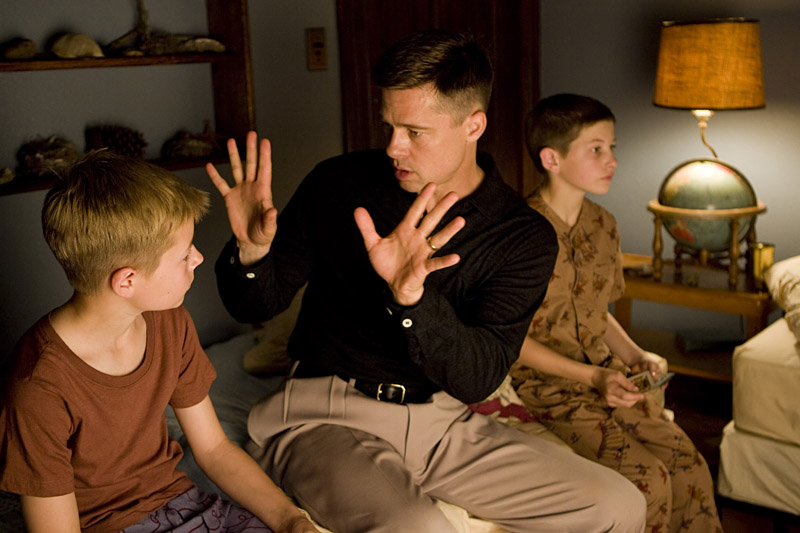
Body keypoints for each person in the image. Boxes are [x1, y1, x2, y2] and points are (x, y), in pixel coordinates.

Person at [206, 30, 646, 533]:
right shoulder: (340, 182)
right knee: (421, 528)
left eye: (415, 132)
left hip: (442, 420)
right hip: (324, 413)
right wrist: (252, 251)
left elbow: (477, 376)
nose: (394, 147)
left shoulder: (522, 236)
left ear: (473, 125)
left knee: (618, 504)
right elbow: (255, 304)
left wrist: (411, 298)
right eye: (389, 126)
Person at [0, 151, 318, 533]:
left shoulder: (169, 321)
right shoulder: (38, 386)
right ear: (127, 281)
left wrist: (290, 520)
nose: (198, 258)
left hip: (182, 504)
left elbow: (214, 449)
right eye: (184, 254)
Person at [508, 93, 723, 533]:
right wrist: (593, 379)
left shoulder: (603, 224)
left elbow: (596, 312)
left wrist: (634, 355)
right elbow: (510, 339)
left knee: (690, 465)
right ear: (551, 158)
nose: (612, 160)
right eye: (597, 149)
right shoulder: (517, 234)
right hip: (549, 388)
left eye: (612, 148)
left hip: (607, 375)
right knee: (651, 481)